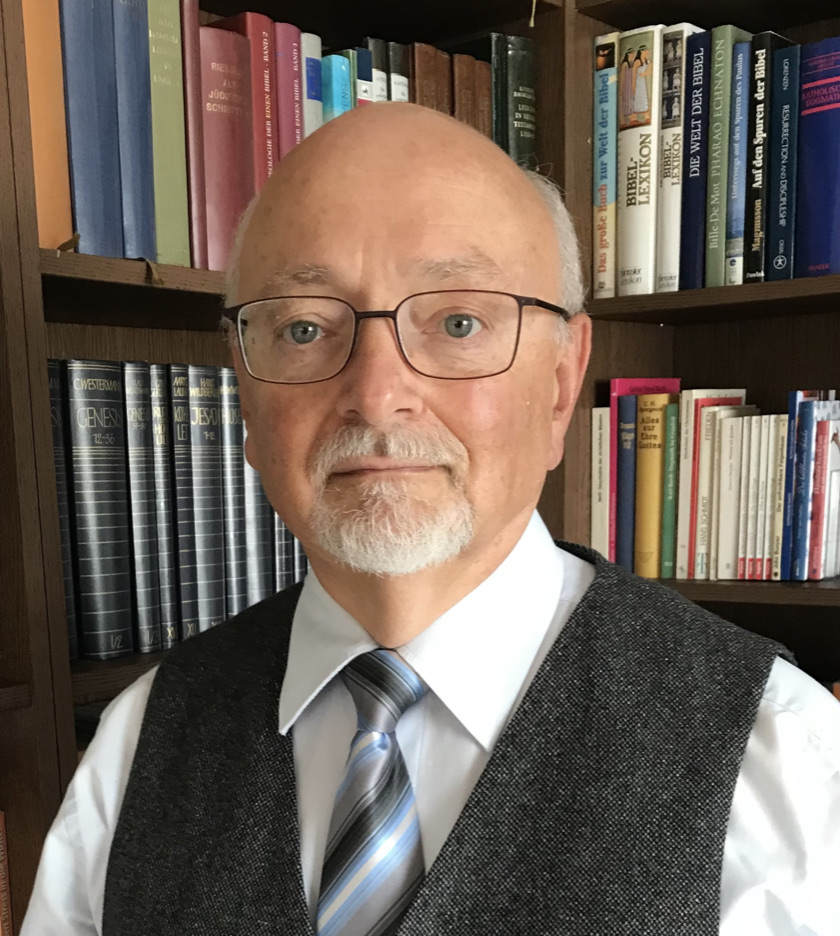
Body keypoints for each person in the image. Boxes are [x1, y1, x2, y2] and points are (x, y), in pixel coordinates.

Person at [21, 103, 840, 936]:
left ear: (561, 384)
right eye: (304, 328)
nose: (377, 395)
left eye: (458, 322)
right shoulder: (139, 742)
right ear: (245, 394)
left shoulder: (786, 766)